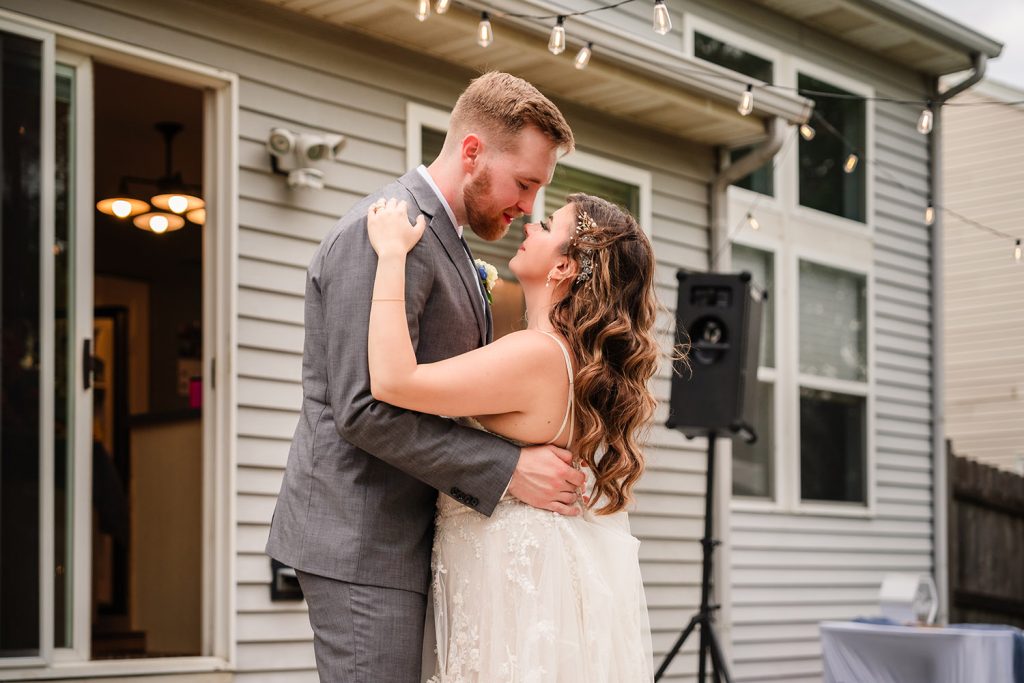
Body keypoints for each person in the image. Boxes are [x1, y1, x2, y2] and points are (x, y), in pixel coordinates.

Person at [265, 72, 584, 683]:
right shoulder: (386, 231)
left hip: (410, 538)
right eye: (524, 184)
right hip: (363, 538)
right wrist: (508, 469)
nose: (527, 208)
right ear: (472, 152)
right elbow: (361, 408)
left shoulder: (451, 242)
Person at [366, 191, 662, 681]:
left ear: (565, 267)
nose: (529, 225)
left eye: (547, 225)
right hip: (526, 579)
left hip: (510, 590)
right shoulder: (572, 360)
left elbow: (394, 382)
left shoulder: (537, 355)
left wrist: (392, 253)